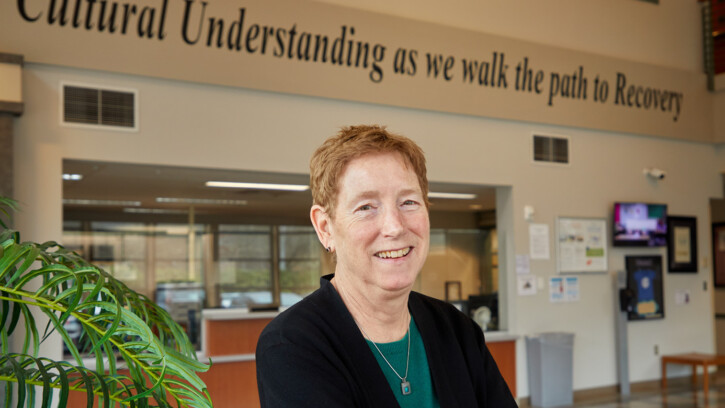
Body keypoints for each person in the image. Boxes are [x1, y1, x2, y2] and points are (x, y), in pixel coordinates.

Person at [256, 125, 517, 407]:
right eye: (366, 207)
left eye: (408, 202)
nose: (394, 227)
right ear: (324, 227)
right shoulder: (292, 345)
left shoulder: (456, 329)